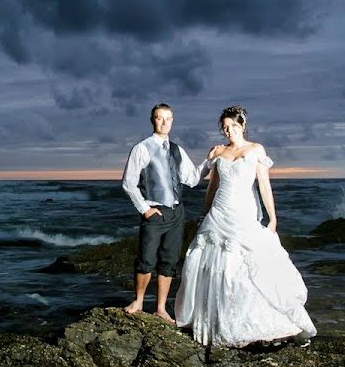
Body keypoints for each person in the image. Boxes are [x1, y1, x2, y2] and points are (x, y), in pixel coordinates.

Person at [175, 105, 316, 347]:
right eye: (225, 127)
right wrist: (205, 214)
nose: (228, 131)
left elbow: (264, 186)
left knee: (249, 264)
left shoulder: (256, 150)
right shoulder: (218, 152)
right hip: (220, 211)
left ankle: (257, 319)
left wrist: (273, 218)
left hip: (244, 212)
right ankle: (217, 319)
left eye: (233, 126)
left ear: (243, 125)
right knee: (216, 263)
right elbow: (212, 187)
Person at [122, 103, 208, 324]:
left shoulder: (178, 150)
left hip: (177, 214)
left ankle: (160, 308)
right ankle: (139, 302)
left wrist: (210, 161)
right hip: (155, 213)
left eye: (168, 118)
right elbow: (129, 184)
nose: (164, 122)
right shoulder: (142, 148)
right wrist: (145, 209)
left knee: (169, 262)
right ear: (153, 120)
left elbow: (192, 179)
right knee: (146, 260)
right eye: (160, 118)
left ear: (172, 121)